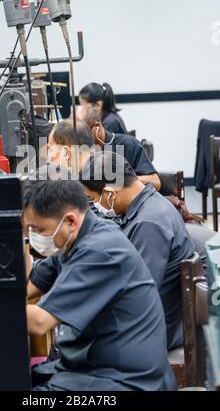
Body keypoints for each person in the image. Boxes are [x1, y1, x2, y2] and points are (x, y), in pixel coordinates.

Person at [24, 177, 176, 391]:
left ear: (70, 221)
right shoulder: (73, 240)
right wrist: (19, 236)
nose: (35, 237)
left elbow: (39, 323)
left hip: (126, 381)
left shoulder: (100, 251)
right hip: (92, 368)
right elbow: (27, 287)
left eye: (37, 230)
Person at [79, 151, 195, 351]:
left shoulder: (149, 223)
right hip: (157, 320)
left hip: (154, 331)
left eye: (93, 199)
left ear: (109, 193)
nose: (96, 207)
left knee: (76, 338)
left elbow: (137, 296)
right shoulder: (149, 206)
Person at [79, 107, 161, 190]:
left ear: (97, 126)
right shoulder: (79, 151)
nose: (79, 140)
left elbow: (155, 182)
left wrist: (120, 181)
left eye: (83, 134)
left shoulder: (128, 144)